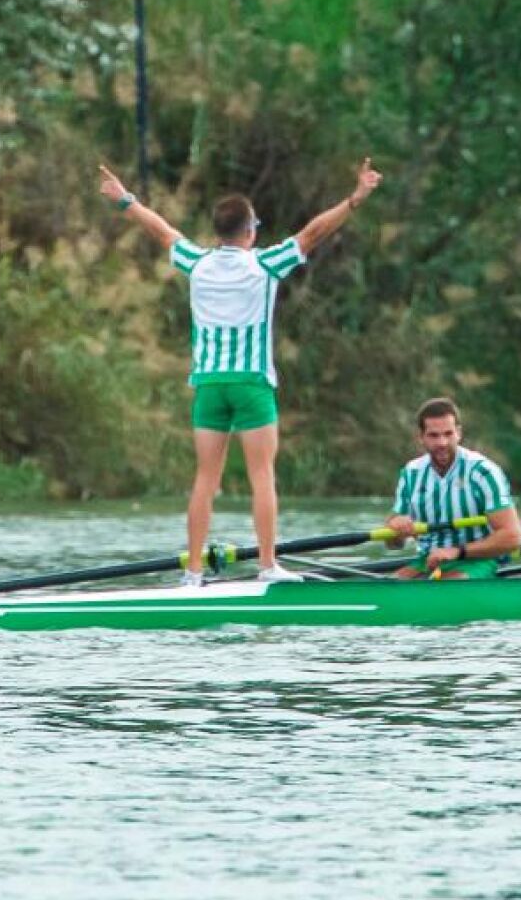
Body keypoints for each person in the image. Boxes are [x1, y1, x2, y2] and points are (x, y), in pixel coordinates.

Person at [95, 159, 381, 587]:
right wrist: (354, 199)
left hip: (209, 384)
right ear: (250, 231)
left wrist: (124, 200)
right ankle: (268, 564)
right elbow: (313, 234)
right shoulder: (264, 265)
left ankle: (193, 572)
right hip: (251, 383)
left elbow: (161, 231)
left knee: (205, 479)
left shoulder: (197, 262)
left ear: (218, 232)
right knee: (261, 475)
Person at [383, 398, 521, 579]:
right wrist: (395, 531)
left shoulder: (483, 471)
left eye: (448, 434)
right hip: (428, 560)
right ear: (421, 437)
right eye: (434, 435)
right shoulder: (411, 473)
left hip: (480, 560)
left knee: (449, 582)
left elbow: (513, 537)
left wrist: (457, 551)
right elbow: (393, 545)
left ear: (459, 433)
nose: (442, 442)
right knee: (391, 585)